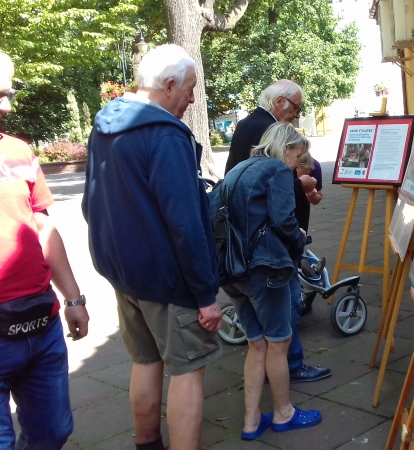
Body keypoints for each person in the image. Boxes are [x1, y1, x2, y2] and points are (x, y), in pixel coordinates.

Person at [0, 42, 90, 449]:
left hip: (41, 323)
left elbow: (43, 228)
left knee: (54, 432)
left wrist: (74, 299)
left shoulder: (17, 150)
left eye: (10, 93)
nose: (5, 105)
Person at [82, 44, 223, 450]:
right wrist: (205, 294)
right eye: (191, 89)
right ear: (169, 84)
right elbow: (187, 224)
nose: (193, 98)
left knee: (145, 360)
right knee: (188, 369)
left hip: (125, 274)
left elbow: (91, 203)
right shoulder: (165, 136)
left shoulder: (105, 126)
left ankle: (147, 445)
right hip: (168, 278)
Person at [221, 123, 323, 439]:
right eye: (298, 154)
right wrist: (300, 238)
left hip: (232, 270)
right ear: (287, 147)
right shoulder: (277, 170)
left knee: (257, 344)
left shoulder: (239, 168)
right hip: (265, 269)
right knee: (279, 344)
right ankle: (283, 413)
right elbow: (283, 219)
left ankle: (252, 421)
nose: (298, 163)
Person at [226, 80, 330, 384]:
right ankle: (290, 370)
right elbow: (277, 210)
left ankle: (255, 409)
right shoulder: (273, 157)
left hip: (242, 255)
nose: (297, 115)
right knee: (285, 314)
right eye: (296, 108)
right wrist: (299, 239)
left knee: (259, 336)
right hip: (266, 251)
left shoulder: (251, 130)